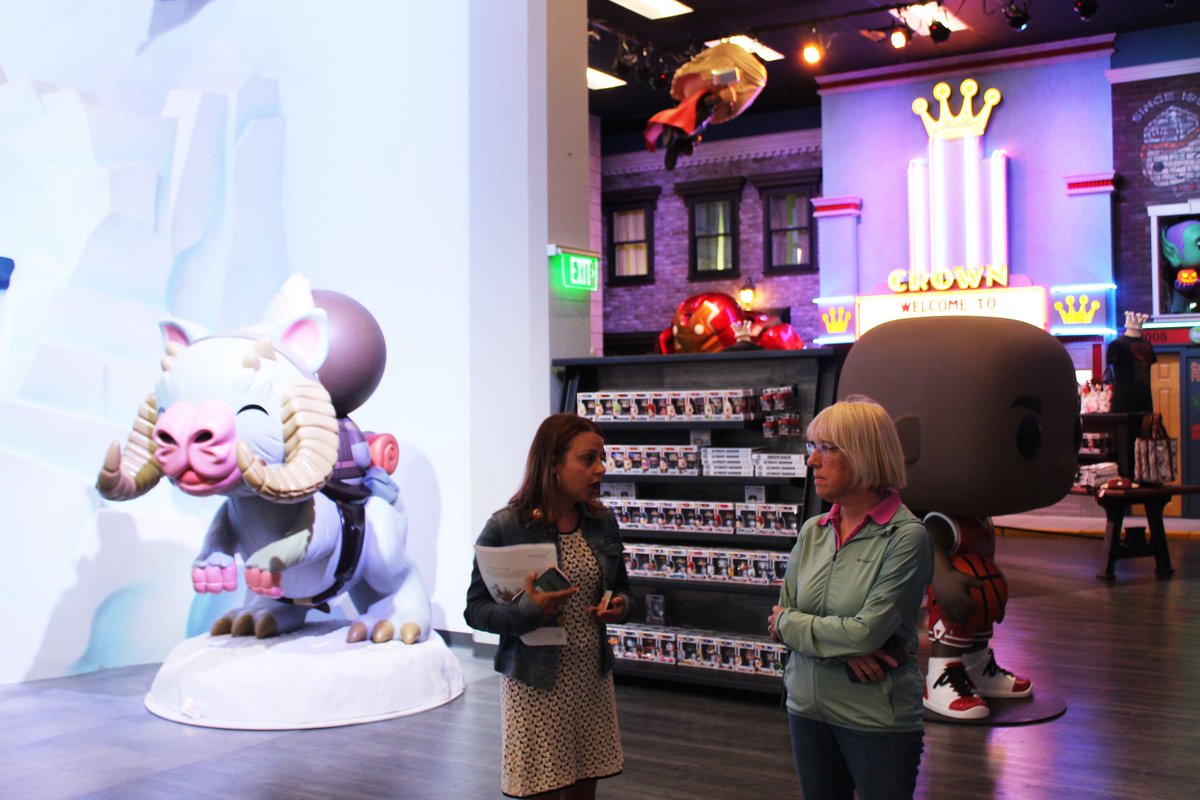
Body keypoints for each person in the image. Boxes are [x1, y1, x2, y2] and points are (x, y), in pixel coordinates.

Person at [767, 397, 933, 800]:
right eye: (812, 447)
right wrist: (844, 650)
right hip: (805, 708)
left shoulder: (906, 537)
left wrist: (803, 629)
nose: (812, 461)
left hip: (875, 718)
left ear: (863, 455)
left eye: (826, 448)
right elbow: (779, 621)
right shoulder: (813, 530)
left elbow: (865, 633)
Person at [465, 413, 632, 800]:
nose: (600, 468)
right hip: (535, 685)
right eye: (588, 459)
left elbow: (623, 589)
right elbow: (474, 610)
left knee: (583, 792)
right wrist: (529, 611)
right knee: (541, 790)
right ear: (553, 463)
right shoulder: (506, 526)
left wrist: (619, 605)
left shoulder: (601, 521)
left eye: (602, 458)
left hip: (590, 679)